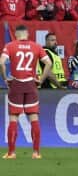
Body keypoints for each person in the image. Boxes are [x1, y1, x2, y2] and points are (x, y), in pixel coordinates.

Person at [2, 24, 52, 159]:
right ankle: (36, 153)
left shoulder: (10, 45)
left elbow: (1, 62)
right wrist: (41, 80)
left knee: (13, 118)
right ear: (27, 34)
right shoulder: (36, 46)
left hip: (16, 84)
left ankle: (11, 153)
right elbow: (49, 63)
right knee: (34, 118)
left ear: (16, 34)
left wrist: (6, 78)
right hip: (31, 84)